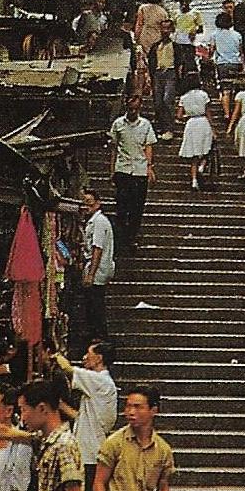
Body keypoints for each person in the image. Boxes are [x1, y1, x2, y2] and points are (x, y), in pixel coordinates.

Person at [52, 341, 118, 491]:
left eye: (89, 354)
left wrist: (55, 353)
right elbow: (83, 418)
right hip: (90, 451)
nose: (85, 358)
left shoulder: (99, 380)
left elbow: (68, 369)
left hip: (90, 456)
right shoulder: (100, 387)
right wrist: (60, 407)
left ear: (99, 358)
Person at [108, 93, 157, 252]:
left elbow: (149, 145)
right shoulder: (118, 124)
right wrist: (112, 169)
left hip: (140, 170)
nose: (133, 112)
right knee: (122, 206)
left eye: (135, 109)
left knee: (137, 207)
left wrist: (149, 167)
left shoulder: (146, 125)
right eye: (130, 109)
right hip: (123, 169)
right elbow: (114, 148)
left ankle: (132, 237)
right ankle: (122, 237)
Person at [80, 190, 115, 345]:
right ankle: (96, 334)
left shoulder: (99, 222)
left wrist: (91, 274)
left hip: (98, 269)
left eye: (90, 202)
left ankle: (100, 335)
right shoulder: (93, 221)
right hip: (96, 268)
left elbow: (97, 248)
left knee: (96, 304)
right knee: (93, 303)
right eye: (84, 203)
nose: (87, 206)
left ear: (98, 203)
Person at [177, 74, 215, 191]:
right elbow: (208, 112)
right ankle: (201, 167)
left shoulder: (184, 97)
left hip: (191, 123)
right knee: (207, 148)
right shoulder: (203, 95)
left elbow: (179, 115)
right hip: (203, 122)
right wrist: (213, 127)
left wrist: (187, 115)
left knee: (193, 154)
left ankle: (194, 181)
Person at [145, 19, 180, 141]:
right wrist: (150, 76)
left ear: (171, 30)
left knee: (167, 100)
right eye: (163, 28)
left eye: (167, 28)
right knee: (158, 101)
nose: (165, 31)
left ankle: (169, 128)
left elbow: (179, 62)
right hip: (158, 74)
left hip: (170, 73)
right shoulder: (156, 46)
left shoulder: (175, 46)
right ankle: (161, 127)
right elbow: (151, 62)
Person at [210, 12, 245, 120]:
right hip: (236, 63)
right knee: (236, 89)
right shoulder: (237, 34)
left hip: (222, 64)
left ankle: (226, 114)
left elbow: (212, 49)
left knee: (225, 90)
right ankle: (236, 111)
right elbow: (241, 51)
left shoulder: (215, 35)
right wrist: (244, 66)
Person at [172, 0, 203, 77]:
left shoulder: (195, 13)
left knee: (189, 64)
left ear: (190, 0)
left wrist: (194, 32)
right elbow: (171, 27)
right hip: (177, 43)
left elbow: (201, 29)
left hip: (189, 44)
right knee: (176, 64)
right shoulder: (175, 13)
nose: (184, 1)